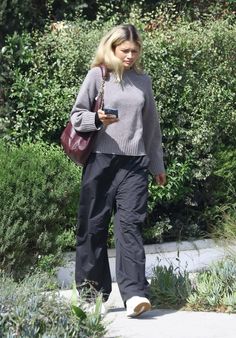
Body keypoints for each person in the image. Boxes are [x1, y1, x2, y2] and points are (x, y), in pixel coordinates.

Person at [70, 23, 166, 318]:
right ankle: (92, 294)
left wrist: (156, 163)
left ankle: (135, 293)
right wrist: (96, 119)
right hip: (100, 160)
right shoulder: (97, 76)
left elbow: (151, 127)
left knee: (131, 226)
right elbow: (77, 117)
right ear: (112, 48)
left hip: (135, 163)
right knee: (93, 227)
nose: (130, 56)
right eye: (125, 50)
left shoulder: (143, 81)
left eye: (135, 51)